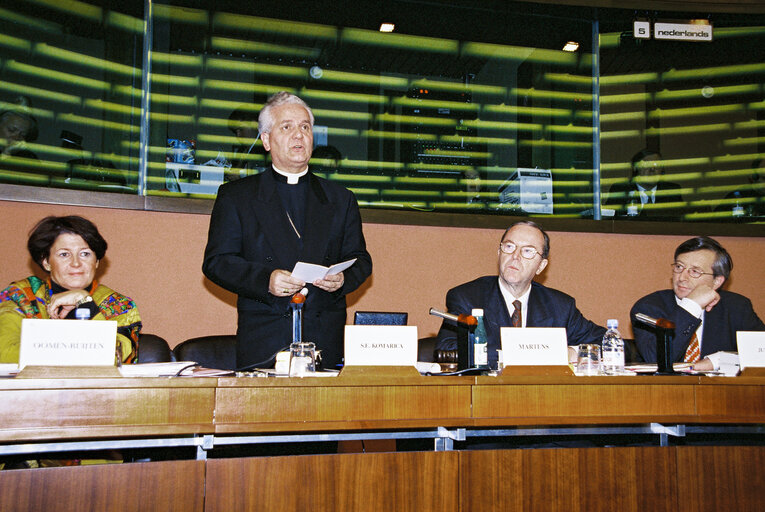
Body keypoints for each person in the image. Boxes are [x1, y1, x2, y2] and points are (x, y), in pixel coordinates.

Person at [203, 91, 372, 370]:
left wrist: (342, 279)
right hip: (265, 337)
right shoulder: (237, 196)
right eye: (287, 127)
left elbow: (361, 259)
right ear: (267, 140)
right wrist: (265, 279)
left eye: (305, 127)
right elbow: (217, 262)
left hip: (323, 336)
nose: (299, 135)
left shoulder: (340, 198)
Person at [435, 220, 605, 369]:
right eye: (509, 247)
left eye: (527, 251)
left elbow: (610, 343)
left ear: (541, 266)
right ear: (499, 253)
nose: (515, 256)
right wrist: (547, 354)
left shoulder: (560, 306)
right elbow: (447, 350)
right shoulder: (467, 297)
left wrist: (573, 352)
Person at [0, 216, 142, 363]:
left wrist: (85, 302)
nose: (76, 263)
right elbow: (5, 355)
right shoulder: (20, 297)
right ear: (46, 262)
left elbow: (114, 358)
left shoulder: (119, 305)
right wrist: (78, 354)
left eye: (85, 254)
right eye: (64, 254)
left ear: (97, 261)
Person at [631, 236, 764, 365]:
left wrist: (717, 360)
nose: (682, 277)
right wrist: (691, 306)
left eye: (695, 271)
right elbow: (656, 360)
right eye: (679, 267)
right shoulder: (648, 308)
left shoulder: (737, 307)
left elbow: (760, 353)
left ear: (717, 281)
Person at [605, 149, 684, 219]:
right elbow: (610, 220)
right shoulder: (620, 190)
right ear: (635, 168)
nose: (652, 169)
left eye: (656, 165)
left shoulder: (671, 191)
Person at [226, 105, 266, 180]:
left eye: (241, 129)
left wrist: (239, 180)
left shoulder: (266, 149)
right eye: (235, 132)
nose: (238, 135)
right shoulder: (241, 150)